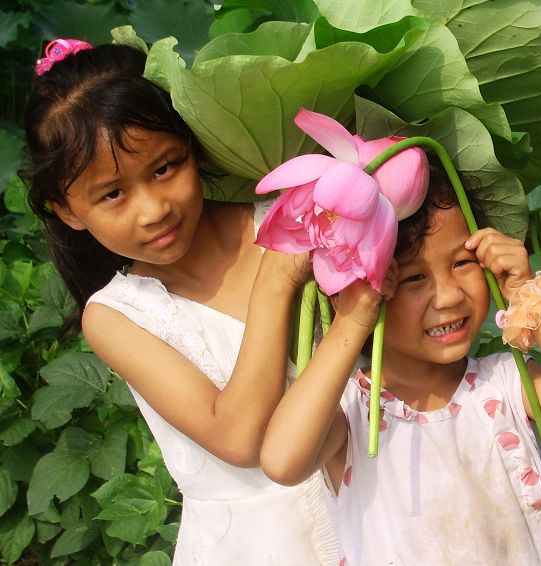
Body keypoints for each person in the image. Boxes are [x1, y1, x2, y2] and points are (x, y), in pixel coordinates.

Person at [22, 40, 338, 565]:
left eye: (165, 168)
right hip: (261, 548)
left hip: (382, 493)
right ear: (67, 211)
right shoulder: (115, 317)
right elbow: (237, 437)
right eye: (112, 194)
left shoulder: (291, 219)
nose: (152, 210)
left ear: (194, 146)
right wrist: (276, 286)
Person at [260, 168, 541, 565]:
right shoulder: (353, 413)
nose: (448, 296)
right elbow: (283, 462)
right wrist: (350, 320)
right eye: (414, 277)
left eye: (462, 263)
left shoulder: (503, 383)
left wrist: (531, 300)